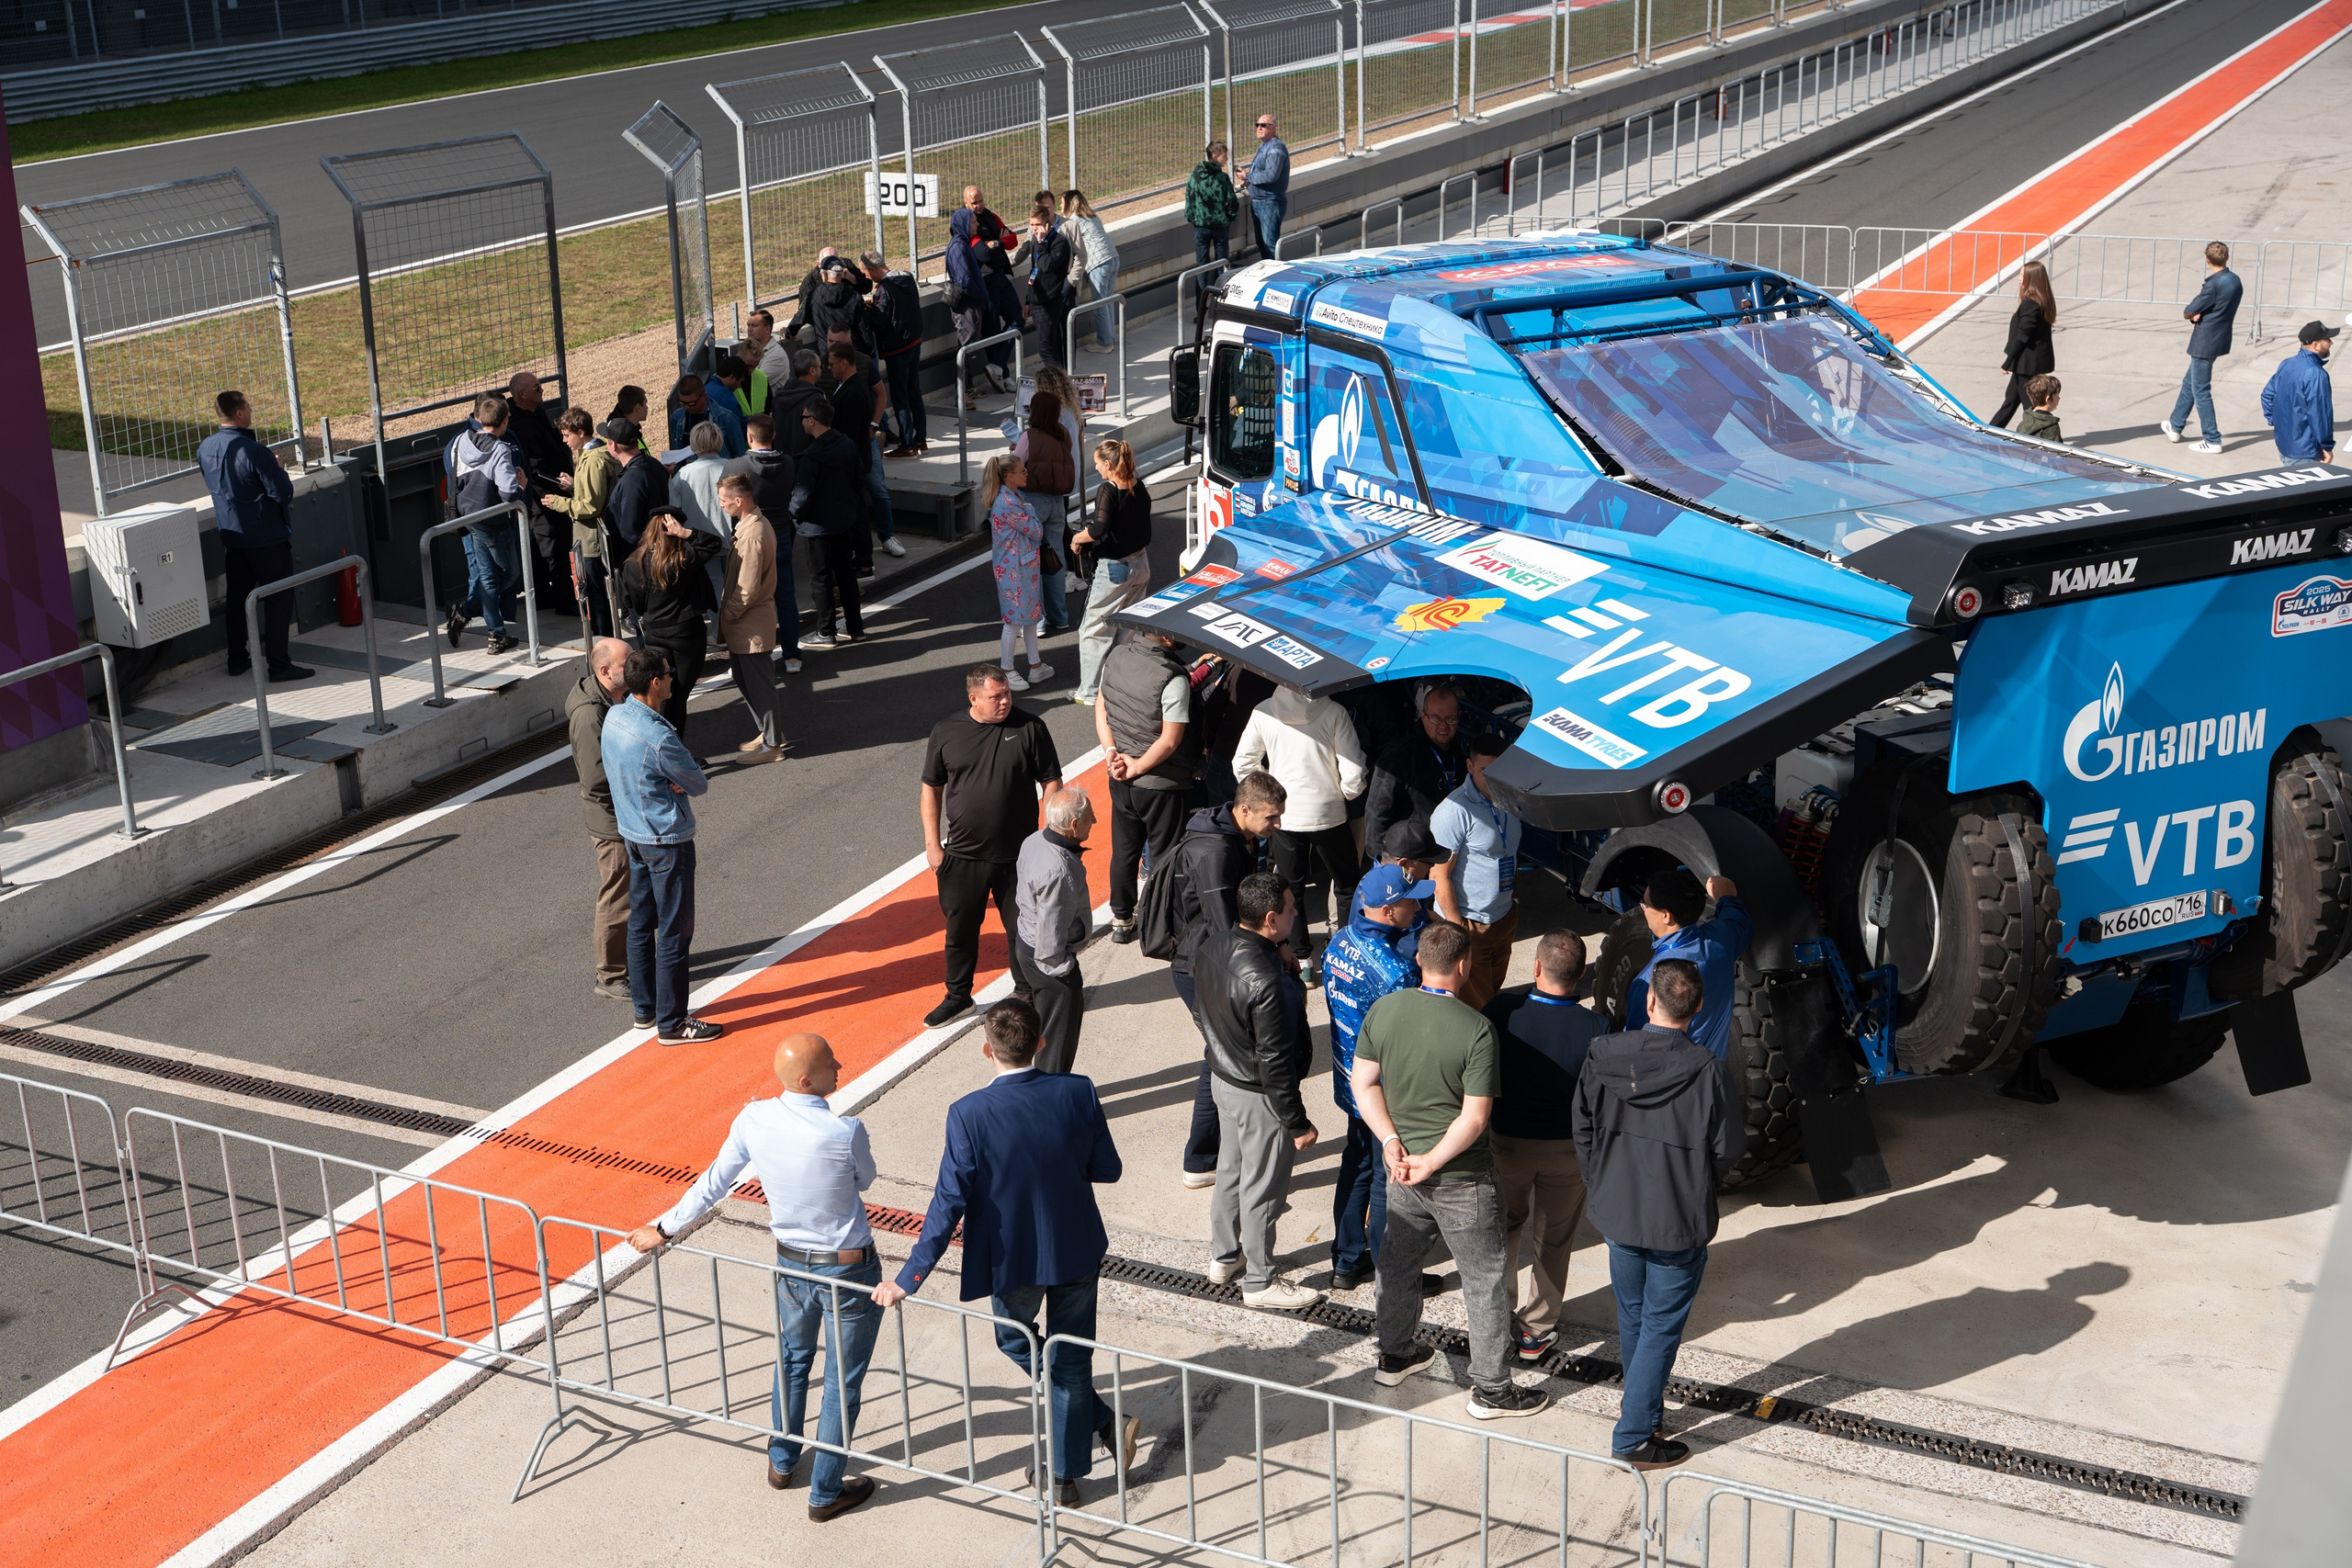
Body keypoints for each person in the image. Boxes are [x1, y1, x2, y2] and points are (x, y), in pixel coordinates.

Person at [872, 1001, 1138, 1506]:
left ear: (986, 1049)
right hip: (1077, 1248)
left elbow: (948, 1201)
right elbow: (1108, 1169)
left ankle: (1070, 1467)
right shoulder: (1077, 1090)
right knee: (1070, 1359)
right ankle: (1093, 1430)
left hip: (1011, 1260)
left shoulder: (968, 1113)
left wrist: (908, 1278)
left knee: (1018, 1342)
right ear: (1039, 1041)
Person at [627, 1033, 880, 1519]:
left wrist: (664, 1227)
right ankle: (826, 1492)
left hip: (790, 1264)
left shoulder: (754, 1118)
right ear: (809, 1080)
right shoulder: (845, 1131)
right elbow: (864, 1180)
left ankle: (782, 1462)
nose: (840, 1063)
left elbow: (714, 1181)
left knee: (791, 1361)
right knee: (840, 1384)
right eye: (831, 1062)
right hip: (848, 1268)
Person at [1351, 919, 1550, 1420]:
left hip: (1400, 1172)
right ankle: (1491, 1390)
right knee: (1482, 1279)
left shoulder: (1385, 1009)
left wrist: (1393, 1143)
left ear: (1420, 959)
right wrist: (1433, 1161)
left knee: (1398, 1265)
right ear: (1463, 967)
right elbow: (1475, 1116)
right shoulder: (1476, 1029)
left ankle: (1395, 1356)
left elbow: (1364, 1083)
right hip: (1463, 1180)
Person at [1574, 958, 1738, 1470]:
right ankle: (1633, 1436)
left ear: (1649, 1002)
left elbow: (1582, 1129)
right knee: (1660, 1328)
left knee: (1635, 1319)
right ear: (1699, 1008)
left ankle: (1644, 1410)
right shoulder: (1710, 1071)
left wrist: (1600, 1182)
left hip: (1618, 1214)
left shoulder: (1602, 1054)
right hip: (1677, 1223)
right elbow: (1728, 1151)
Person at [1198, 872, 1324, 1311]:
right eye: (1291, 910)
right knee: (1264, 1188)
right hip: (1260, 1096)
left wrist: (1277, 953)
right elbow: (1275, 1063)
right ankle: (1260, 1280)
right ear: (1270, 919)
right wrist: (1297, 1121)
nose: (1296, 914)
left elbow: (1203, 1014)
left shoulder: (1212, 946)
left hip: (1223, 1080)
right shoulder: (1268, 983)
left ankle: (1225, 1256)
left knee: (1230, 1173)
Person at [1483, 929, 1604, 1363]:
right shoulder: (1596, 1028)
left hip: (1507, 1144)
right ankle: (1536, 1331)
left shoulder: (1502, 1010)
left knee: (1503, 1231)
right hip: (1566, 1152)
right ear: (1583, 975)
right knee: (1553, 1240)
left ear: (1536, 968)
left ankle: (1496, 1316)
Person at [921, 665, 1065, 1028]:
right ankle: (958, 997)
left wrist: (1045, 836)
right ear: (974, 698)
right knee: (960, 931)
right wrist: (933, 845)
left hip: (1018, 856)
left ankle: (1025, 993)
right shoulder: (946, 731)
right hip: (962, 855)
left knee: (1022, 929)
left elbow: (1051, 780)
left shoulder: (1030, 727)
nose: (1004, 702)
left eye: (1007, 694)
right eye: (995, 696)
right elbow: (931, 788)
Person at [600, 646, 722, 1045]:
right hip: (666, 841)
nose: (673, 678)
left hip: (632, 834)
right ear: (655, 682)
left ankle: (645, 1010)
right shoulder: (659, 737)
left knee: (640, 924)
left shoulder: (615, 714)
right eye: (668, 674)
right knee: (674, 932)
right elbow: (698, 783)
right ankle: (673, 1023)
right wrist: (675, 780)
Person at [1171, 770, 1286, 1187]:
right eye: (1271, 818)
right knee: (1220, 1057)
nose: (1277, 826)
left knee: (1223, 1055)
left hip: (1209, 961)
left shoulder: (1237, 836)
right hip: (1204, 968)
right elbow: (1227, 933)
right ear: (1244, 810)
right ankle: (1200, 1160)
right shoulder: (1217, 854)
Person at [1321, 863, 1429, 1290]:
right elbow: (1410, 1040)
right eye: (1410, 901)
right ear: (1387, 911)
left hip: (1349, 1080)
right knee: (1387, 1175)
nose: (1418, 906)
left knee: (1357, 1162)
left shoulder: (1339, 942)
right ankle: (1392, 1272)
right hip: (1382, 1091)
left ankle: (1346, 1260)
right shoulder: (1397, 972)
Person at [1234, 685, 1368, 979]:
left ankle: (1302, 959)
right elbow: (1355, 773)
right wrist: (1342, 793)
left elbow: (1243, 763)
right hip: (1329, 813)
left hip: (1285, 816)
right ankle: (1343, 953)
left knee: (1291, 890)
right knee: (1346, 885)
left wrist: (1267, 797)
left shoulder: (1264, 711)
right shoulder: (1334, 712)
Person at [197, 389, 311, 682]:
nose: (251, 409)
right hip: (266, 540)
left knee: (237, 600)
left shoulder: (205, 447)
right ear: (238, 414)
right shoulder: (255, 451)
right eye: (248, 406)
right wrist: (279, 469)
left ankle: (237, 659)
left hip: (233, 539)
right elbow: (282, 492)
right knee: (278, 600)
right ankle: (278, 665)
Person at [1094, 628, 1198, 944]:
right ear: (1166, 639)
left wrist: (1113, 754)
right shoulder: (1173, 679)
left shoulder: (1116, 656)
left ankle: (1122, 919)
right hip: (1161, 783)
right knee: (1165, 857)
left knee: (1124, 852)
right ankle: (1160, 925)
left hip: (1120, 779)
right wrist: (1138, 765)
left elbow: (1102, 708)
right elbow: (1170, 740)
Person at [1623, 868, 1751, 1068]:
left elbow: (1633, 1048)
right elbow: (1738, 922)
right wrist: (1726, 897)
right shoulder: (1720, 941)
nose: (1643, 909)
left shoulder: (1648, 982)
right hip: (1711, 1077)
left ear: (1666, 915)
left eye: (1645, 904)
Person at [1430, 732, 1522, 1010]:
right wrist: (1459, 932)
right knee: (1479, 1008)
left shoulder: (1510, 798)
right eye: (1485, 770)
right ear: (1470, 766)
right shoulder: (1454, 811)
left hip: (1503, 918)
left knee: (1492, 995)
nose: (1492, 778)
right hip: (1470, 924)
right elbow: (1439, 876)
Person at [565, 637, 634, 1003]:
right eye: (628, 663)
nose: (635, 666)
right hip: (610, 820)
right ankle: (610, 974)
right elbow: (595, 779)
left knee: (631, 890)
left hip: (619, 812)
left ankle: (631, 958)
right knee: (617, 895)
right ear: (605, 671)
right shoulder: (590, 713)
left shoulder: (609, 697)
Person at [618, 509, 720, 734]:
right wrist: (685, 533)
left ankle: (660, 746)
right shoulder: (683, 560)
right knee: (679, 694)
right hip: (687, 634)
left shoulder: (632, 564)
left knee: (658, 696)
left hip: (655, 633)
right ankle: (674, 750)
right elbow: (713, 543)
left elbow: (630, 602)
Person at [442, 392, 529, 655]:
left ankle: (496, 635)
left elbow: (452, 477)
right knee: (510, 575)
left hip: (470, 520)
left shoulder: (459, 441)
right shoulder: (500, 449)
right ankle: (467, 610)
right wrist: (522, 487)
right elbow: (508, 494)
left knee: (488, 579)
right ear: (504, 422)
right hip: (494, 523)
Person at [1015, 787, 1095, 1075]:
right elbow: (1049, 947)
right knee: (1057, 1044)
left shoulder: (1035, 840)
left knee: (1046, 1030)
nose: (1094, 821)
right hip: (1047, 962)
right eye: (1089, 817)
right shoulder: (1059, 872)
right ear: (1074, 825)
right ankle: (1049, 1101)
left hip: (1025, 943)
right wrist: (1067, 971)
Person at [1070, 440, 1153, 705]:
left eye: (1097, 463)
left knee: (1093, 629)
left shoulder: (1108, 489)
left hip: (1116, 568)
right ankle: (1119, 686)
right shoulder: (1138, 486)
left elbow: (1099, 528)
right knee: (1127, 628)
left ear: (1108, 464)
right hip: (1141, 563)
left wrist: (1077, 538)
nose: (1096, 468)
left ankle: (1089, 692)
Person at [715, 473, 786, 761]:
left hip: (750, 624)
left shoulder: (753, 533)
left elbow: (747, 587)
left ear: (739, 500)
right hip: (746, 624)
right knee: (746, 681)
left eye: (723, 500)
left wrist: (728, 615)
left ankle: (772, 745)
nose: (721, 505)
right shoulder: (751, 524)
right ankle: (769, 733)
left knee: (760, 686)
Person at [790, 396, 866, 648]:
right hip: (843, 522)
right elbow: (859, 479)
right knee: (845, 574)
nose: (801, 421)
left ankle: (826, 631)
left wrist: (794, 515)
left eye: (803, 417)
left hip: (816, 528)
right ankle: (855, 627)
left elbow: (801, 496)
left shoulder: (810, 458)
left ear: (812, 420)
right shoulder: (847, 445)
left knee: (820, 579)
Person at [727, 412, 800, 673]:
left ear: (749, 437)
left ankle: (754, 655)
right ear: (774, 435)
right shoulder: (789, 464)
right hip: (780, 535)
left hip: (749, 537)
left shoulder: (737, 467)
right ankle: (792, 655)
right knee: (785, 596)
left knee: (749, 596)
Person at [1366, 681, 1470, 859]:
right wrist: (1382, 861)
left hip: (1450, 853)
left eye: (1450, 719)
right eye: (1436, 718)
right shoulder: (1399, 755)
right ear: (1423, 716)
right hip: (1412, 858)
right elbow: (1377, 812)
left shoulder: (1459, 752)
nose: (1443, 726)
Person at [822, 339, 902, 570]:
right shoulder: (849, 388)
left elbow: (847, 435)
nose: (829, 368)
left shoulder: (854, 393)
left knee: (857, 513)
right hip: (855, 461)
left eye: (832, 364)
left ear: (844, 363)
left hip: (852, 463)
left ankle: (864, 559)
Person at [540, 408, 618, 636]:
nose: (564, 441)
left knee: (596, 599)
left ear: (581, 432)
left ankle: (604, 642)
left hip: (592, 541)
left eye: (566, 435)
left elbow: (591, 506)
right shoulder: (589, 455)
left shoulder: (593, 460)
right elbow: (592, 493)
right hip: (587, 539)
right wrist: (574, 484)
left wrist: (559, 502)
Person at [2162, 240, 2243, 454]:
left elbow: (2189, 310)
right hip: (2220, 338)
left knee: (2200, 389)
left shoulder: (2213, 285)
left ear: (2207, 260)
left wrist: (2195, 315)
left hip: (2205, 341)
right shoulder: (2234, 280)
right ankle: (2175, 425)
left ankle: (2212, 437)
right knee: (2190, 382)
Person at [983, 454, 1053, 691]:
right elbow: (1036, 530)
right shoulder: (1009, 503)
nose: (1026, 474)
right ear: (1010, 477)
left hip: (1022, 568)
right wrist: (1031, 509)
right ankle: (1007, 669)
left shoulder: (1012, 497)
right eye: (1023, 471)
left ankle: (1036, 665)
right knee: (1013, 622)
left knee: (1031, 618)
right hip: (1014, 570)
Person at [948, 187, 1020, 404]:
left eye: (981, 200)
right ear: (965, 203)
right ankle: (999, 375)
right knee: (990, 332)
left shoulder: (989, 216)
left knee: (1017, 319)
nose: (979, 206)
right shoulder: (964, 224)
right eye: (974, 202)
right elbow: (983, 254)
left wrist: (996, 243)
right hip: (985, 285)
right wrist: (996, 246)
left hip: (999, 277)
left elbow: (1013, 240)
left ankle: (997, 366)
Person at [1016, 390, 1079, 634]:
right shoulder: (1063, 434)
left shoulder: (1029, 436)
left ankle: (1037, 620)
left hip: (1032, 501)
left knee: (1030, 559)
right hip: (1058, 502)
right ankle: (1059, 616)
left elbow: (1016, 464)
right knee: (1054, 558)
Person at [1348, 820, 1444, 964]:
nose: (1431, 867)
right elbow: (1410, 951)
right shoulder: (1394, 897)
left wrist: (1428, 915)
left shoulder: (1382, 881)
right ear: (1404, 864)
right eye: (1429, 863)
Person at [864, 252, 927, 457]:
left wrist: (866, 311)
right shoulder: (907, 278)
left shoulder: (883, 290)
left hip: (896, 349)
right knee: (914, 392)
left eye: (865, 273)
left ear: (872, 269)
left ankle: (907, 445)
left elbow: (880, 323)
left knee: (900, 398)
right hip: (914, 342)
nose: (865, 277)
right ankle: (921, 440)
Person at [669, 419, 733, 614]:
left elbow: (674, 509)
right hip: (732, 537)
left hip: (699, 540)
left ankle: (718, 632)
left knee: (713, 587)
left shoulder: (683, 474)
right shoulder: (732, 467)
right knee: (736, 585)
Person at [1989, 261, 2056, 430]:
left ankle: (2040, 434)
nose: (2019, 279)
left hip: (2026, 365)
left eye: (2022, 276)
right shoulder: (2041, 301)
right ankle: (1990, 431)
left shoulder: (2031, 305)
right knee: (2011, 401)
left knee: (2030, 407)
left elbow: (2022, 336)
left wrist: (2007, 362)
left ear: (2032, 279)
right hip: (2028, 364)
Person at [2262, 321, 2338, 463]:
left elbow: (2267, 395)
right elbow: (2319, 415)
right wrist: (2327, 446)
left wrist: (2278, 424)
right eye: (2327, 340)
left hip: (2286, 446)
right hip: (2306, 452)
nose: (2331, 343)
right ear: (2315, 345)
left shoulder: (2287, 364)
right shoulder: (2316, 374)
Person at [1017, 203, 1077, 369]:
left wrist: (1042, 243)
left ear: (1047, 224)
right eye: (1031, 225)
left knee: (1046, 349)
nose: (1034, 229)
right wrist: (1028, 300)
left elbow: (1047, 265)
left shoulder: (1060, 243)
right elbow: (1034, 271)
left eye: (1038, 225)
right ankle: (1060, 380)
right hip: (1036, 301)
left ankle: (1057, 384)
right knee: (1050, 345)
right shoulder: (1037, 242)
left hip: (1049, 303)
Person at [1061, 191, 1120, 355]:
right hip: (1113, 258)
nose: (1060, 206)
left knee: (1100, 303)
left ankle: (1105, 342)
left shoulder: (1074, 220)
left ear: (1068, 203)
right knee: (1107, 300)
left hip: (1098, 263)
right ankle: (1110, 338)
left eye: (1061, 203)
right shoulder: (1092, 215)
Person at [602, 420, 667, 567]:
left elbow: (629, 533)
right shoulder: (653, 463)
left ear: (613, 445)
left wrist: (628, 569)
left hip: (640, 564)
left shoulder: (631, 481)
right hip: (656, 555)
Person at [1239, 113, 1290, 257]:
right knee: (1262, 244)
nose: (1259, 128)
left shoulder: (1276, 148)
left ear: (1273, 128)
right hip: (1260, 202)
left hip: (1269, 202)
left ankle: (1278, 276)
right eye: (1257, 125)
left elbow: (1270, 176)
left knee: (1270, 246)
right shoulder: (1265, 146)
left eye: (1263, 125)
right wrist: (1248, 181)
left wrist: (1247, 176)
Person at [1184, 141, 1239, 266]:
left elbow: (1189, 201)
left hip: (1200, 226)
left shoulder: (1194, 176)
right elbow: (1232, 202)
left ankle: (1202, 286)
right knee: (1222, 264)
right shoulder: (1222, 178)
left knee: (1202, 265)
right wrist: (1228, 218)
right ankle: (1220, 285)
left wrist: (1194, 219)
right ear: (1215, 156)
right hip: (1220, 226)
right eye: (1224, 156)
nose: (1227, 159)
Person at [670, 372, 745, 459]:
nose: (686, 407)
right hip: (688, 472)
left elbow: (739, 454)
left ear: (704, 396)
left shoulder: (726, 418)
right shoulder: (676, 417)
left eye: (692, 403)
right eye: (682, 403)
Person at [772, 350, 826, 459]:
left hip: (781, 462)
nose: (822, 370)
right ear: (812, 371)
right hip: (806, 463)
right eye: (821, 367)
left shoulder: (779, 396)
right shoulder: (817, 400)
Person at [741, 308, 792, 383]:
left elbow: (755, 384)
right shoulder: (748, 350)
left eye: (754, 326)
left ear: (767, 329)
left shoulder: (777, 356)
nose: (749, 329)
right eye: (748, 325)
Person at [2017, 374, 2064, 443]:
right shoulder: (2051, 426)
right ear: (2048, 399)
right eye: (2057, 395)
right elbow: (2056, 451)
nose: (2059, 398)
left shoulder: (2024, 422)